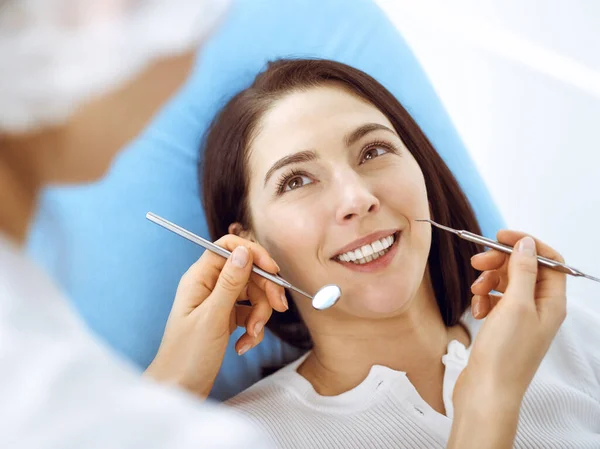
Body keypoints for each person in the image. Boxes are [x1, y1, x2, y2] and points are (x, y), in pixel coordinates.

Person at [200, 59, 600, 448]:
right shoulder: (242, 437)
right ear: (248, 245)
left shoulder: (565, 335)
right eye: (296, 181)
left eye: (373, 151)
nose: (358, 198)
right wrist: (488, 398)